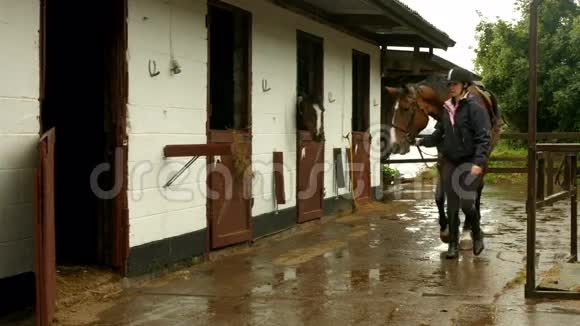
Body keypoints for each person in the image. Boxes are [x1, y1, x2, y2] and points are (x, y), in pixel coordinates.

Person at [417, 67, 492, 259]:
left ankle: (476, 233)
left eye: (455, 84)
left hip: (469, 162)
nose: (451, 87)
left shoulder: (476, 109)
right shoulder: (446, 108)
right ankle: (453, 246)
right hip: (450, 161)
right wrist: (422, 141)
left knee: (467, 204)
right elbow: (439, 133)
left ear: (465, 86)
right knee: (451, 206)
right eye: (449, 84)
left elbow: (484, 138)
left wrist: (479, 161)